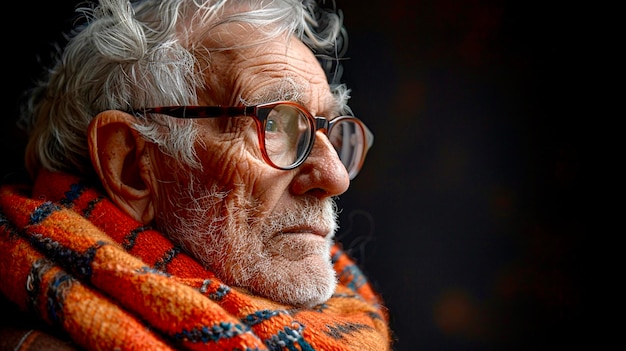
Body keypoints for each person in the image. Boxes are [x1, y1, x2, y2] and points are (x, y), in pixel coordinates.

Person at [0, 0, 392, 350]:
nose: (335, 176)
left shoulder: (345, 319)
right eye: (274, 124)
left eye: (330, 131)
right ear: (134, 166)